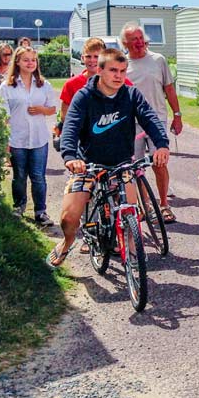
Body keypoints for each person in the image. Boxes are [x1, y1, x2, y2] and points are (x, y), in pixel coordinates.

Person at [48, 48, 170, 268]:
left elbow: (150, 118)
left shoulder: (131, 95)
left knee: (130, 211)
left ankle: (133, 256)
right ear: (100, 70)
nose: (119, 76)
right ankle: (67, 243)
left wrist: (161, 145)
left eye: (123, 71)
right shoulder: (84, 97)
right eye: (113, 70)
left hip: (122, 163)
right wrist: (70, 156)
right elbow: (71, 127)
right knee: (69, 217)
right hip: (88, 165)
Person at [120, 23, 182, 223]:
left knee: (160, 163)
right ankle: (145, 206)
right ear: (125, 43)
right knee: (135, 167)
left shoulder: (158, 60)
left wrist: (177, 115)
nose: (139, 42)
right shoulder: (122, 64)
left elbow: (169, 89)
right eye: (134, 39)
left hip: (156, 120)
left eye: (140, 38)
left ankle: (164, 205)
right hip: (131, 125)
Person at [0, 47, 57, 225]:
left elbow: (52, 109)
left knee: (38, 176)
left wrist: (41, 109)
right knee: (20, 176)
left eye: (33, 60)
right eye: (26, 60)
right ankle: (19, 208)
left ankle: (41, 212)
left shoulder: (43, 84)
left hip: (39, 139)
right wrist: (5, 143)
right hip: (17, 139)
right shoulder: (7, 86)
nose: (30, 63)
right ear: (17, 62)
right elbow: (3, 117)